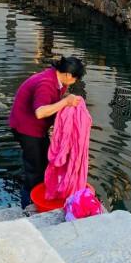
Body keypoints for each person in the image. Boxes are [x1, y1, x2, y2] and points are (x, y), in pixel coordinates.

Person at [9, 55, 85, 207]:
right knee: (34, 169)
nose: (75, 82)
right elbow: (40, 112)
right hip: (26, 128)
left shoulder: (59, 81)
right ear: (69, 75)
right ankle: (28, 204)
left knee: (46, 161)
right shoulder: (46, 83)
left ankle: (40, 193)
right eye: (76, 78)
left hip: (36, 128)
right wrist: (65, 101)